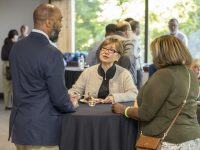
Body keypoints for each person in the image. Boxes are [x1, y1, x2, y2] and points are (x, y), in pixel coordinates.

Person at [112, 35, 200, 149]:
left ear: (162, 54)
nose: (153, 57)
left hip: (169, 142)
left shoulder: (164, 75)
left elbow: (145, 114)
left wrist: (123, 109)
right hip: (193, 139)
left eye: (154, 53)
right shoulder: (190, 74)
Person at [9, 3, 77, 150]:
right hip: (42, 131)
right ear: (48, 22)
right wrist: (71, 104)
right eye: (60, 20)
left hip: (19, 127)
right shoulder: (52, 53)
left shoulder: (16, 48)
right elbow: (59, 99)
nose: (61, 25)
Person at [69, 37, 138, 103]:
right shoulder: (88, 71)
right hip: (90, 110)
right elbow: (76, 90)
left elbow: (133, 94)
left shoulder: (124, 73)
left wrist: (115, 97)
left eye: (111, 50)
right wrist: (74, 94)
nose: (106, 52)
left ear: (118, 56)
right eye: (104, 48)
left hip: (114, 112)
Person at [1, 29, 18, 110]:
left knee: (6, 87)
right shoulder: (13, 45)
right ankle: (9, 105)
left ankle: (7, 104)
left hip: (4, 66)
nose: (17, 37)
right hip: (10, 66)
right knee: (11, 87)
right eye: (16, 35)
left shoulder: (5, 44)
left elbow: (2, 56)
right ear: (13, 36)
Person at [130, 20, 143, 89]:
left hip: (134, 68)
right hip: (137, 68)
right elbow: (134, 54)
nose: (140, 30)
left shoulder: (130, 37)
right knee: (138, 91)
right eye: (140, 28)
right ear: (136, 28)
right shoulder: (134, 38)